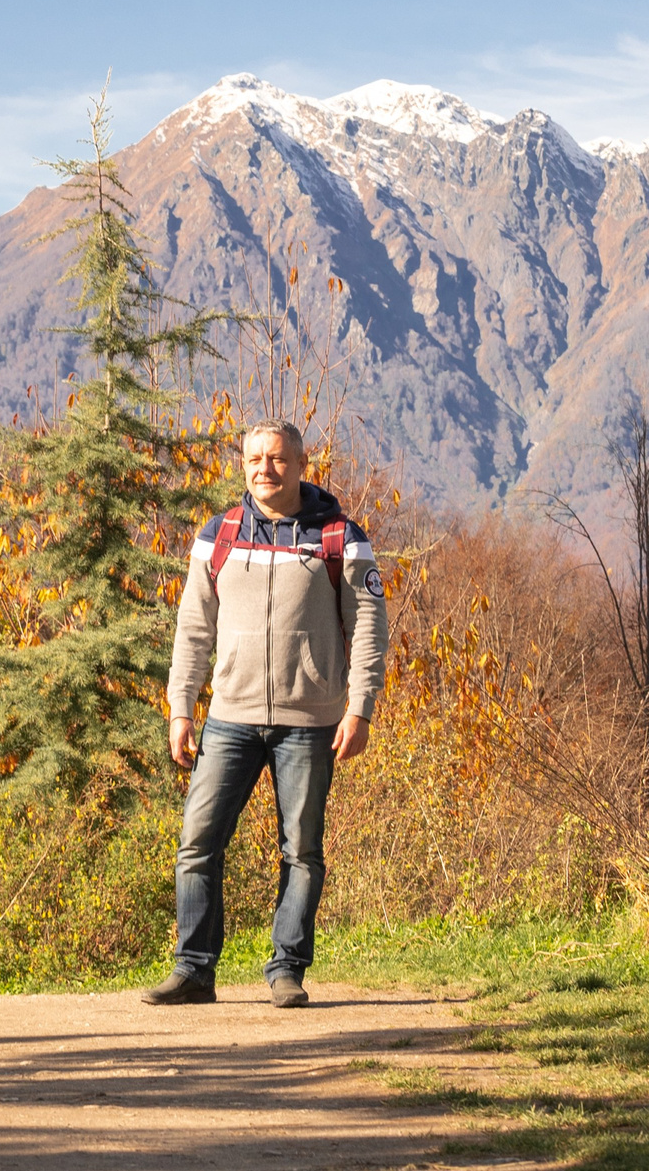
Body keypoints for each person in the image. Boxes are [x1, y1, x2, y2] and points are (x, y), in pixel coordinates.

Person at [143, 419, 387, 1009]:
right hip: (230, 716)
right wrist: (181, 708)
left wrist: (360, 707)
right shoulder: (219, 535)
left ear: (302, 464)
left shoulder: (340, 537)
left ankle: (287, 971)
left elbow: (369, 628)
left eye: (276, 458)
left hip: (311, 720)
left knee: (301, 850)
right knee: (197, 842)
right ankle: (194, 970)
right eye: (254, 458)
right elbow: (193, 629)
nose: (264, 469)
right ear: (243, 465)